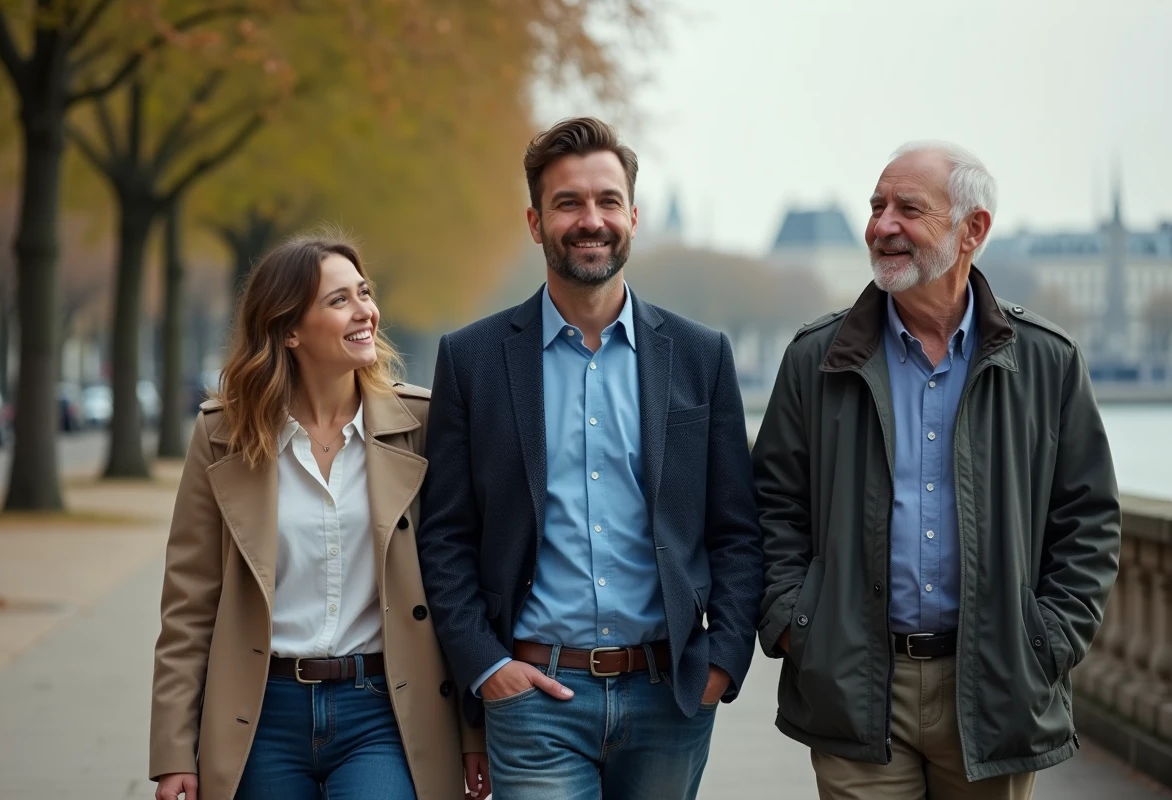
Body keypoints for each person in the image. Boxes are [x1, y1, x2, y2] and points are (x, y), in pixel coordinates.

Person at [752, 141, 1122, 799]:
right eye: (877, 206)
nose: (883, 225)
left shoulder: (1049, 362)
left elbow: (1088, 521)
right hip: (854, 684)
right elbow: (771, 506)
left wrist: (1047, 641)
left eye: (908, 208)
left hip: (997, 686)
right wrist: (797, 625)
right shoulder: (814, 358)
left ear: (972, 230)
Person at [414, 116, 763, 799]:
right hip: (535, 698)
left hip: (670, 699)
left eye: (607, 201)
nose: (590, 220)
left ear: (633, 216)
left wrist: (721, 660)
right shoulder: (472, 360)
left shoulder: (701, 356)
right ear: (535, 222)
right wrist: (487, 666)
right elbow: (446, 535)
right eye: (567, 203)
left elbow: (737, 531)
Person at [149, 233, 488, 800]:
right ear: (289, 330)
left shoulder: (423, 424)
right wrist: (173, 749)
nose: (365, 311)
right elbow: (188, 604)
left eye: (364, 293)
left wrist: (472, 732)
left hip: (386, 710)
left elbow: (459, 578)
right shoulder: (222, 435)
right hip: (258, 715)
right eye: (339, 300)